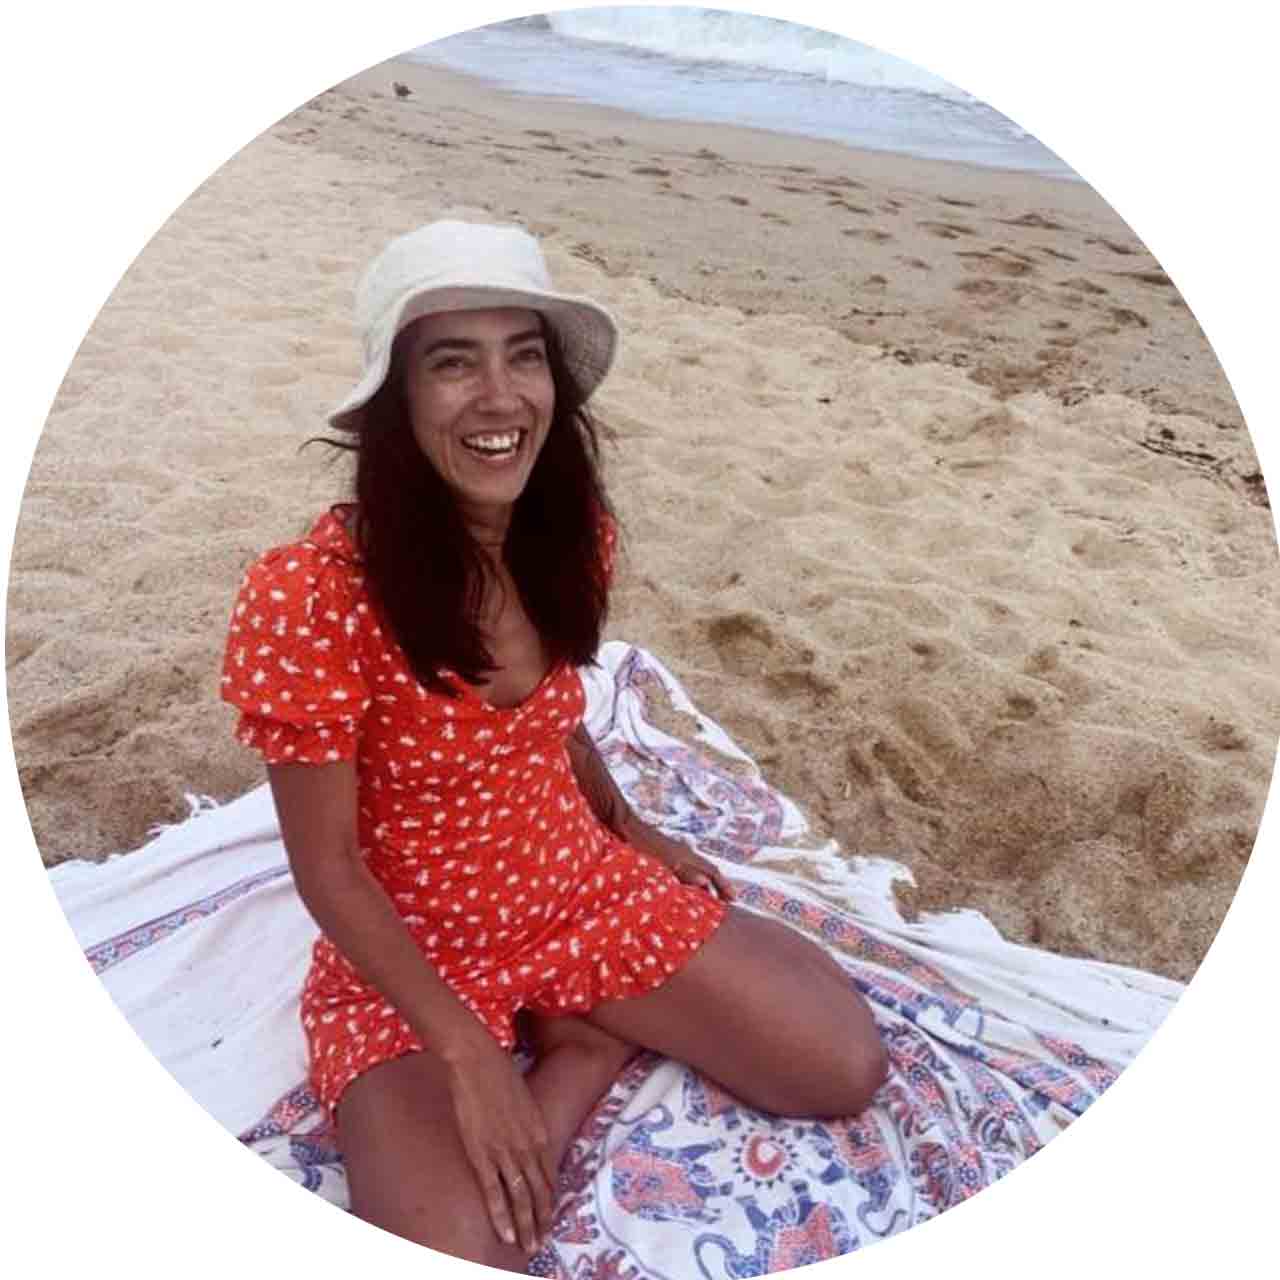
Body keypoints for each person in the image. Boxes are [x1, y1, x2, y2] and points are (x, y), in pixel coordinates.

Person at [221, 219, 887, 1271]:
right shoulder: (309, 593)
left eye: (522, 356)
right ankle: (578, 1043)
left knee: (839, 1064)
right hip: (409, 941)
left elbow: (553, 718)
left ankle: (575, 1025)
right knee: (463, 1248)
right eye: (453, 362)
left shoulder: (562, 533)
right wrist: (466, 1054)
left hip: (569, 886)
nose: (499, 397)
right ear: (395, 400)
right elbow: (327, 866)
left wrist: (632, 826)